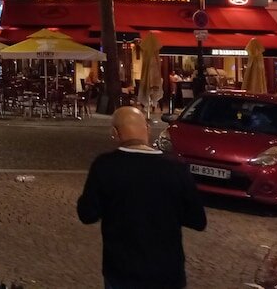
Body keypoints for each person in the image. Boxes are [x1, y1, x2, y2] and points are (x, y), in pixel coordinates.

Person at [77, 106, 207, 289]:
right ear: (147, 128)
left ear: (115, 133)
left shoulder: (105, 166)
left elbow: (87, 214)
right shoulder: (176, 168)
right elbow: (197, 220)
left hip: (122, 270)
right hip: (168, 271)